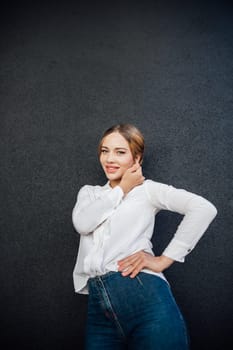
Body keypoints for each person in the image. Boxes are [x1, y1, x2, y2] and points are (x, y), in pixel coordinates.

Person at [72, 124, 217, 350]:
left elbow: (204, 208)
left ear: (136, 158)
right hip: (98, 308)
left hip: (144, 296)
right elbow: (83, 224)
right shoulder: (90, 193)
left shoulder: (148, 190)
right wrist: (121, 190)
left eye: (120, 152)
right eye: (104, 150)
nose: (109, 159)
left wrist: (163, 260)